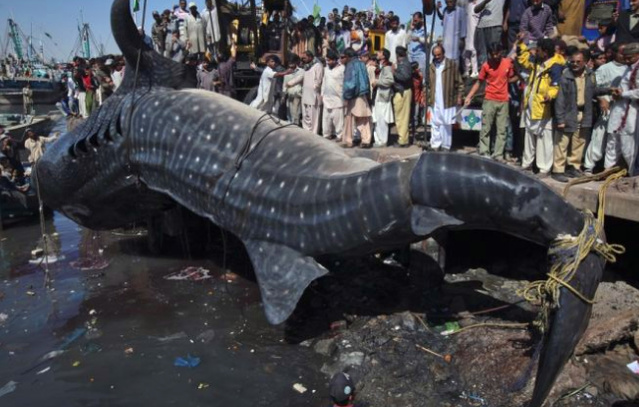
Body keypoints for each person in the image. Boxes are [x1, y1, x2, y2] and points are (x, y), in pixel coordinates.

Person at [517, 36, 565, 178]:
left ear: (545, 52)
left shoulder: (555, 66)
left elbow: (555, 85)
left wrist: (550, 95)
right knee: (529, 136)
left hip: (544, 109)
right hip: (531, 107)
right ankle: (527, 164)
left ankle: (544, 169)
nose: (535, 52)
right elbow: (523, 60)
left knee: (544, 139)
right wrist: (521, 44)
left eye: (537, 50)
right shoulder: (537, 61)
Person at [465, 43, 515, 160]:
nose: (495, 56)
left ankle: (498, 155)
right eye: (492, 54)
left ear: (501, 52)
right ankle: (484, 152)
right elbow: (479, 82)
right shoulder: (486, 66)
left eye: (497, 54)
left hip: (503, 101)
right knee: (485, 128)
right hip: (489, 100)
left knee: (502, 130)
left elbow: (512, 77)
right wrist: (469, 96)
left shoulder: (508, 63)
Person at [553, 49, 597, 182]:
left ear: (585, 62)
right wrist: (560, 119)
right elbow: (560, 100)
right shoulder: (566, 76)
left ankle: (573, 167)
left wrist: (607, 91)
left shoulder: (590, 75)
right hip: (568, 114)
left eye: (578, 62)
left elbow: (593, 91)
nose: (575, 64)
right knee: (562, 143)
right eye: (572, 62)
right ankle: (558, 170)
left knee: (579, 142)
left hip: (584, 113)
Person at [584, 43, 628, 174]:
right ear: (614, 53)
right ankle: (588, 166)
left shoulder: (631, 69)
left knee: (616, 141)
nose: (624, 55)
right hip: (607, 108)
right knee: (599, 137)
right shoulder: (605, 68)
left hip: (624, 110)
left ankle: (610, 169)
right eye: (621, 52)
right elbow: (593, 87)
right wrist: (601, 99)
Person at [606, 42, 639, 175]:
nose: (626, 60)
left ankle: (632, 175)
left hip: (631, 111)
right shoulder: (629, 67)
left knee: (628, 145)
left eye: (629, 58)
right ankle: (606, 172)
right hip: (618, 109)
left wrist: (623, 94)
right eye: (625, 57)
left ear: (637, 55)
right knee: (612, 140)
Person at [428, 45, 464, 151]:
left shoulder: (451, 65)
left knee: (446, 123)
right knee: (435, 122)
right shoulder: (431, 66)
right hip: (435, 99)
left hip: (448, 99)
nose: (437, 57)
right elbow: (428, 84)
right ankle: (435, 145)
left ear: (443, 53)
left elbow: (459, 82)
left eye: (439, 55)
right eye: (435, 55)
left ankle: (445, 146)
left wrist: (460, 96)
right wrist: (426, 96)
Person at [286, 51, 324, 134]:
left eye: (304, 58)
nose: (303, 59)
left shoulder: (318, 65)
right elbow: (301, 77)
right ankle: (307, 131)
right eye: (302, 58)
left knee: (314, 116)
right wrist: (290, 83)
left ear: (310, 57)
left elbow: (318, 80)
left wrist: (315, 87)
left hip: (313, 94)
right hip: (306, 94)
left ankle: (314, 133)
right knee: (306, 115)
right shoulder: (307, 66)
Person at [342, 48, 373, 148]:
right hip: (362, 94)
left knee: (350, 118)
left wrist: (346, 96)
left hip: (353, 95)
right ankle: (366, 140)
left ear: (348, 56)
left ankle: (349, 141)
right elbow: (366, 80)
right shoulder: (362, 64)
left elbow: (350, 83)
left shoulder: (350, 65)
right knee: (363, 119)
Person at [321, 50, 345, 140]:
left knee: (338, 119)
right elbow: (324, 81)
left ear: (335, 60)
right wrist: (322, 93)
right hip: (327, 98)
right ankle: (327, 134)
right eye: (327, 60)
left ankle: (339, 135)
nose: (328, 62)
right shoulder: (326, 69)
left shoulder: (342, 68)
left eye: (330, 60)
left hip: (338, 98)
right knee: (326, 118)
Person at [373, 49, 395, 147]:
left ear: (384, 56)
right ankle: (378, 140)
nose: (377, 53)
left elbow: (390, 80)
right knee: (378, 119)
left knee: (382, 120)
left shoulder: (387, 67)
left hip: (383, 97)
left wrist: (377, 82)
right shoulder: (380, 66)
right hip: (379, 96)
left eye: (379, 52)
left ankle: (383, 141)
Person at [474, 0, 506, 66]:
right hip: (482, 26)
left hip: (495, 25)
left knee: (495, 52)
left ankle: (494, 70)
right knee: (482, 53)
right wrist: (485, 2)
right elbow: (475, 10)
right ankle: (483, 70)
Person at [393, 46, 413, 147]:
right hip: (402, 92)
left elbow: (405, 77)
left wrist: (394, 72)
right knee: (400, 117)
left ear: (397, 55)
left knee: (402, 118)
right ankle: (402, 139)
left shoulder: (404, 64)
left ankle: (403, 140)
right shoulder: (404, 63)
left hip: (403, 92)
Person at [283, 55, 304, 126]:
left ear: (296, 62)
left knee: (296, 111)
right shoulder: (286, 72)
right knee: (290, 111)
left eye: (292, 62)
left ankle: (296, 124)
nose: (290, 64)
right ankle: (291, 124)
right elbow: (284, 84)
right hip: (289, 94)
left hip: (297, 95)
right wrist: (283, 95)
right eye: (289, 62)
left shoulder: (301, 71)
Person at [464, 0, 481, 77]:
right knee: (466, 51)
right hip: (466, 31)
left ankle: (475, 70)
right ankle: (467, 70)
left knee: (473, 50)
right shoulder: (467, 5)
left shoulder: (479, 3)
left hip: (474, 30)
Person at [407, 12, 427, 77]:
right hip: (411, 58)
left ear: (421, 19)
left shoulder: (426, 29)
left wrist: (419, 39)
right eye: (413, 20)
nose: (414, 22)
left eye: (416, 20)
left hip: (420, 59)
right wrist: (410, 30)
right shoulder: (412, 29)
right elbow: (406, 41)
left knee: (421, 77)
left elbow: (430, 41)